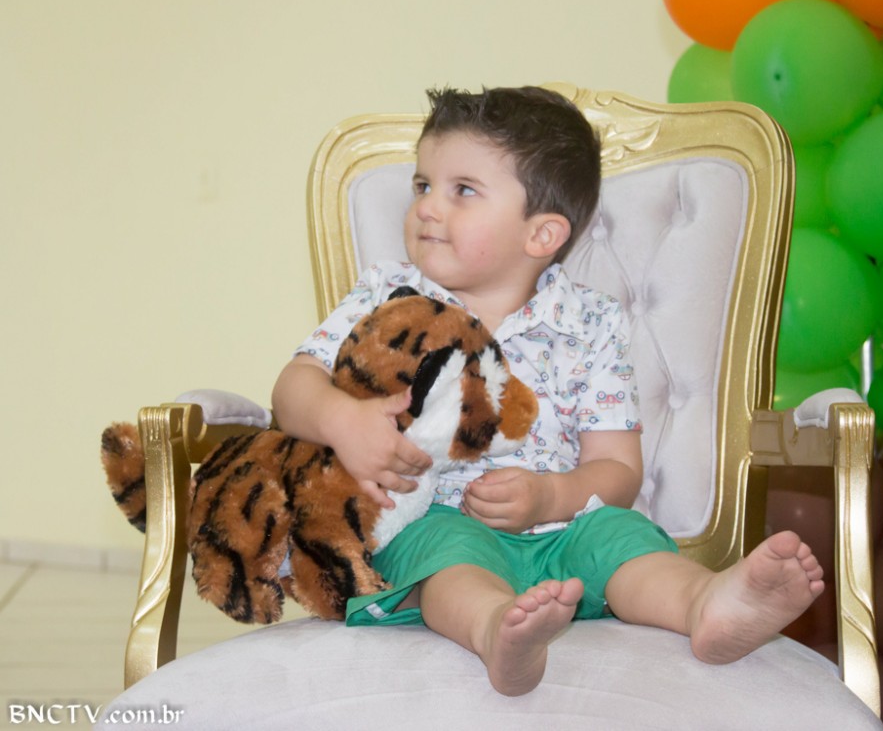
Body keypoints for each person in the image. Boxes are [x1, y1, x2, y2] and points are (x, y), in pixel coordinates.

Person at [271, 86, 825, 697]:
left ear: (541, 235)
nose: (427, 207)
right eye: (423, 185)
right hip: (439, 518)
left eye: (463, 190)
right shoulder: (388, 294)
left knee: (621, 536)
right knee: (441, 554)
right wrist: (340, 419)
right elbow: (293, 387)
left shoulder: (591, 323)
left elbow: (618, 469)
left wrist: (550, 497)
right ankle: (495, 629)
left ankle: (705, 605)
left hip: (563, 527)